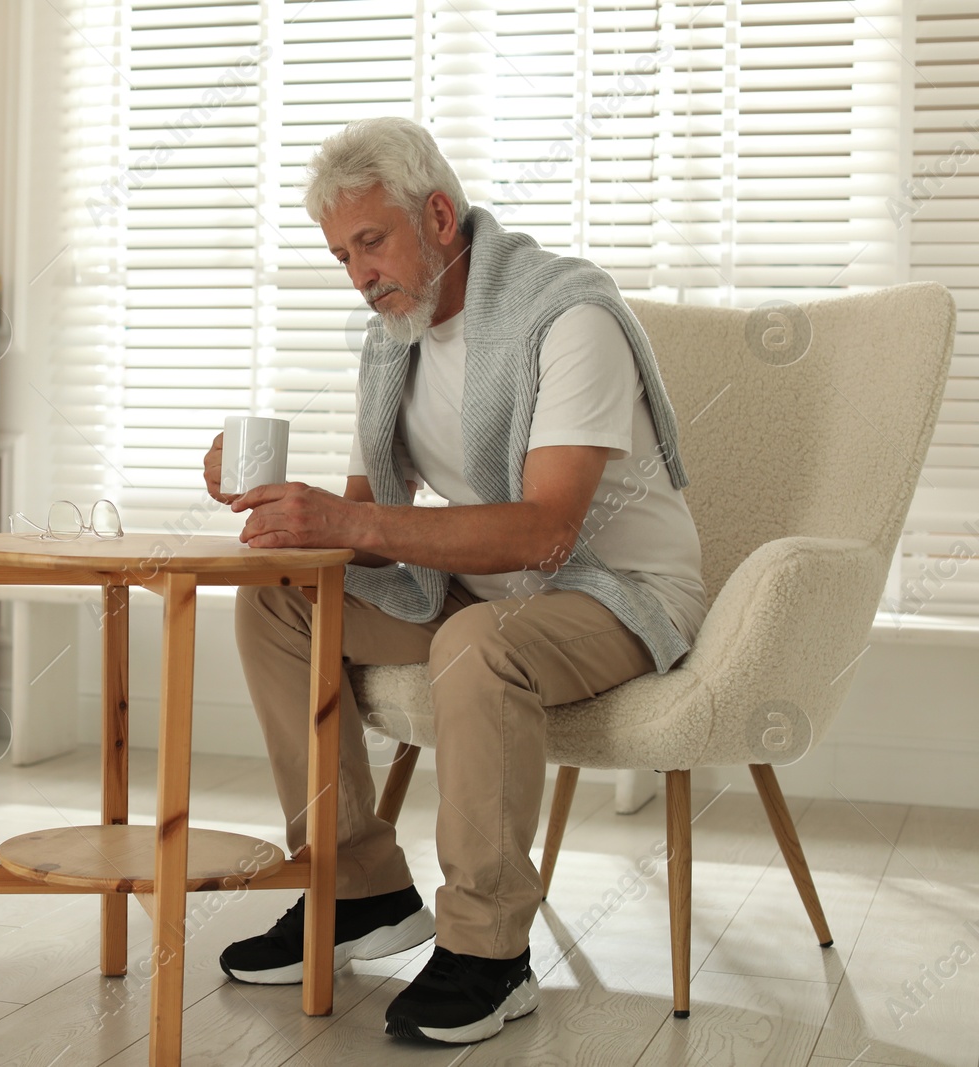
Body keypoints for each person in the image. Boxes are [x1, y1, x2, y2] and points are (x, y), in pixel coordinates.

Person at [201, 116, 707, 1045]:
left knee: (478, 644)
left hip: (618, 591)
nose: (360, 274)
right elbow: (367, 526)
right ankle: (357, 891)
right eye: (341, 255)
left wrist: (347, 520)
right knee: (280, 599)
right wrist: (280, 506)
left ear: (439, 215)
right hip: (484, 588)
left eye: (371, 242)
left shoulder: (568, 317)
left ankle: (488, 951)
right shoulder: (395, 337)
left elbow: (550, 530)